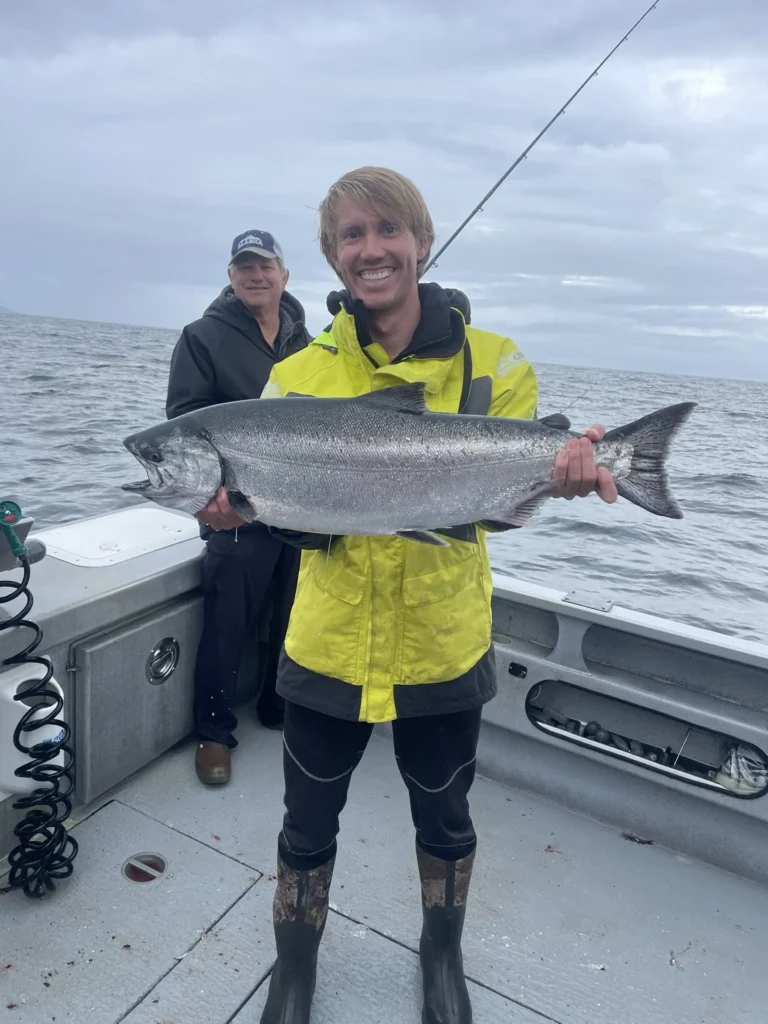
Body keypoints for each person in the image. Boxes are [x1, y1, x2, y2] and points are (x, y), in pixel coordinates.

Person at [203, 168, 618, 1023]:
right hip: (327, 643)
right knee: (306, 820)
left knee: (446, 816)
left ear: (421, 243)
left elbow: (496, 519)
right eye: (351, 236)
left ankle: (442, 957)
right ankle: (295, 968)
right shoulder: (297, 377)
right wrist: (237, 509)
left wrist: (556, 476)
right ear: (331, 257)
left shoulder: (496, 362)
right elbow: (296, 525)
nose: (371, 249)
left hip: (442, 640)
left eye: (387, 230)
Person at [166, 230, 311, 786]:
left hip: (302, 506)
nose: (256, 275)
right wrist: (210, 501)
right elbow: (185, 420)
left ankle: (278, 707)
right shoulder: (203, 337)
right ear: (231, 276)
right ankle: (214, 732)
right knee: (227, 625)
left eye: (265, 265)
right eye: (244, 266)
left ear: (284, 275)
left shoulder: (311, 342)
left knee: (296, 619)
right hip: (238, 508)